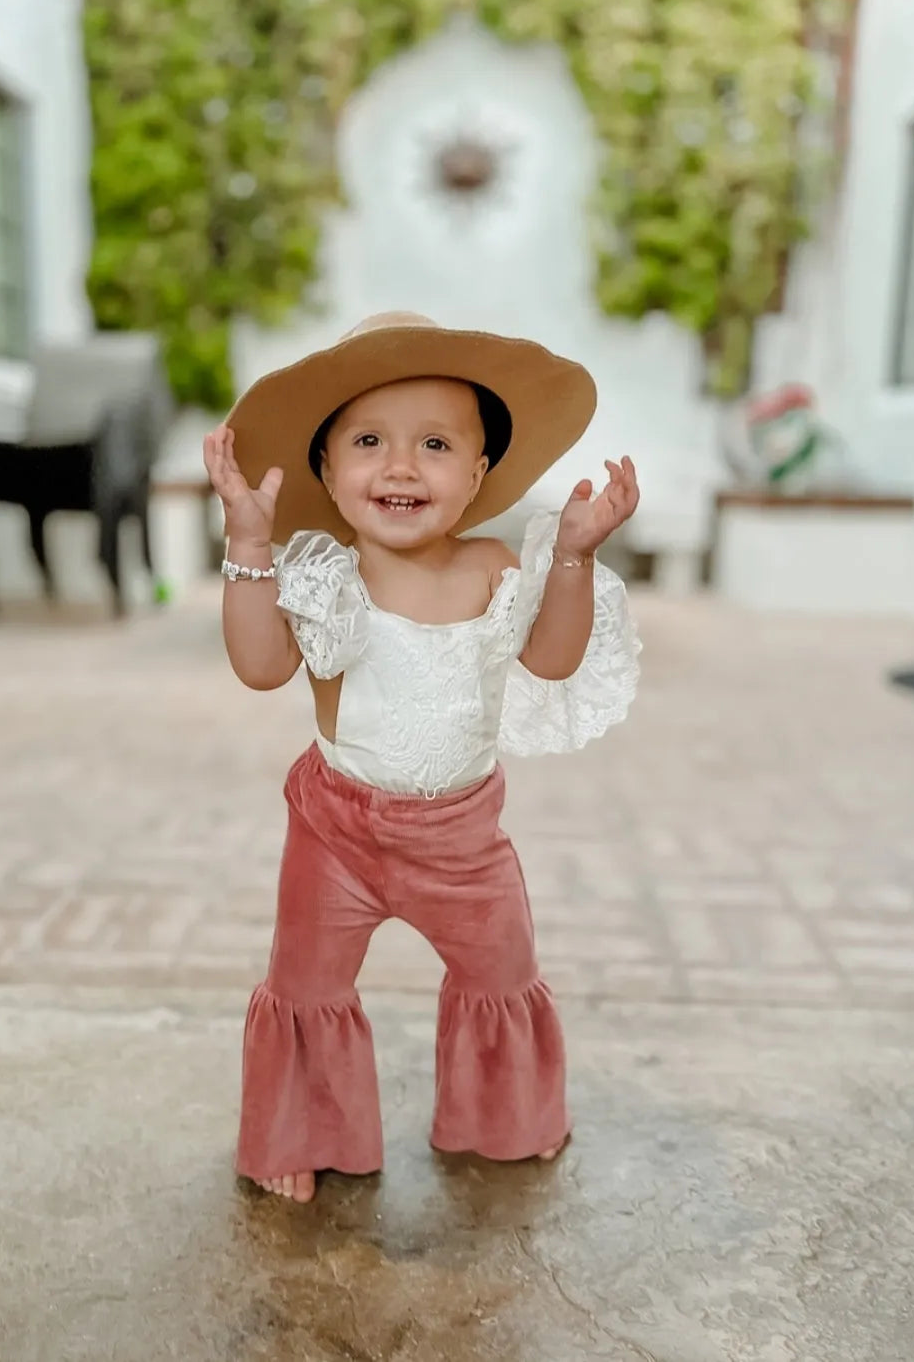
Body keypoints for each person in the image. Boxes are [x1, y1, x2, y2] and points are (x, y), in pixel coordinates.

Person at [203, 311, 641, 1204]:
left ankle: (500, 1117)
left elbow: (552, 658)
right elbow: (259, 668)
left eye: (435, 444)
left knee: (502, 970)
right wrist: (250, 548)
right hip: (336, 832)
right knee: (306, 981)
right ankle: (305, 1132)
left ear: (478, 475)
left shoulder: (487, 568)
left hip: (463, 841)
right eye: (368, 440)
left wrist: (573, 559)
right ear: (327, 468)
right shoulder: (325, 575)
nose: (400, 467)